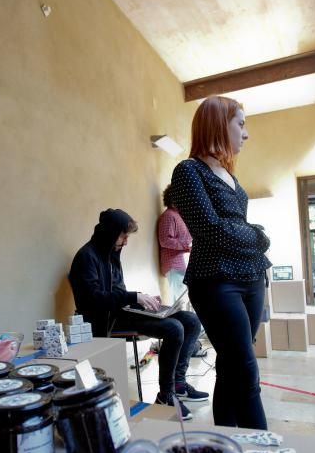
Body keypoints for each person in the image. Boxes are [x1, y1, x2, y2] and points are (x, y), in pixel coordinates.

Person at [171, 95, 271, 430]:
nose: (246, 133)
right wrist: (258, 236)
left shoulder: (227, 173)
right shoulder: (188, 171)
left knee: (230, 365)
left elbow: (230, 226)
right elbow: (210, 229)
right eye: (240, 124)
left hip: (251, 275)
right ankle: (264, 451)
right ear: (218, 123)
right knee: (245, 368)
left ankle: (227, 441)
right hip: (215, 279)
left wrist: (250, 239)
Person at [69, 208, 209, 420]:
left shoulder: (111, 254)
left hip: (121, 311)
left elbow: (116, 292)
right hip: (106, 320)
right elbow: (93, 300)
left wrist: (143, 300)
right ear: (110, 232)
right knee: (174, 328)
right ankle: (166, 395)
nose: (125, 241)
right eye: (123, 235)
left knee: (191, 320)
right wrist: (133, 298)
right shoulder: (86, 257)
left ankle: (178, 383)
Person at [157, 184, 207, 358]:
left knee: (184, 302)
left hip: (182, 264)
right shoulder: (168, 216)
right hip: (173, 264)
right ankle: (183, 342)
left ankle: (189, 342)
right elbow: (165, 241)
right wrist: (186, 246)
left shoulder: (178, 215)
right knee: (179, 304)